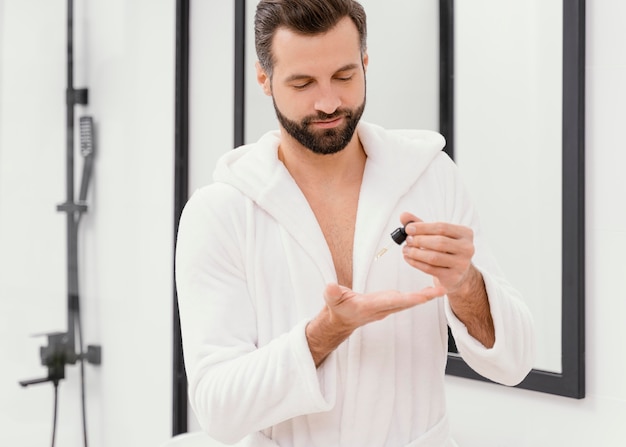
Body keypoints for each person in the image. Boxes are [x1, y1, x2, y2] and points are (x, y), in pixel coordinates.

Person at [175, 1, 535, 446]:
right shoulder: (221, 213)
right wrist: (325, 334)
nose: (329, 102)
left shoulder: (429, 176)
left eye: (344, 76)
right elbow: (219, 410)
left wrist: (466, 285)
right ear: (264, 79)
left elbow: (515, 362)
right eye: (303, 82)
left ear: (365, 62)